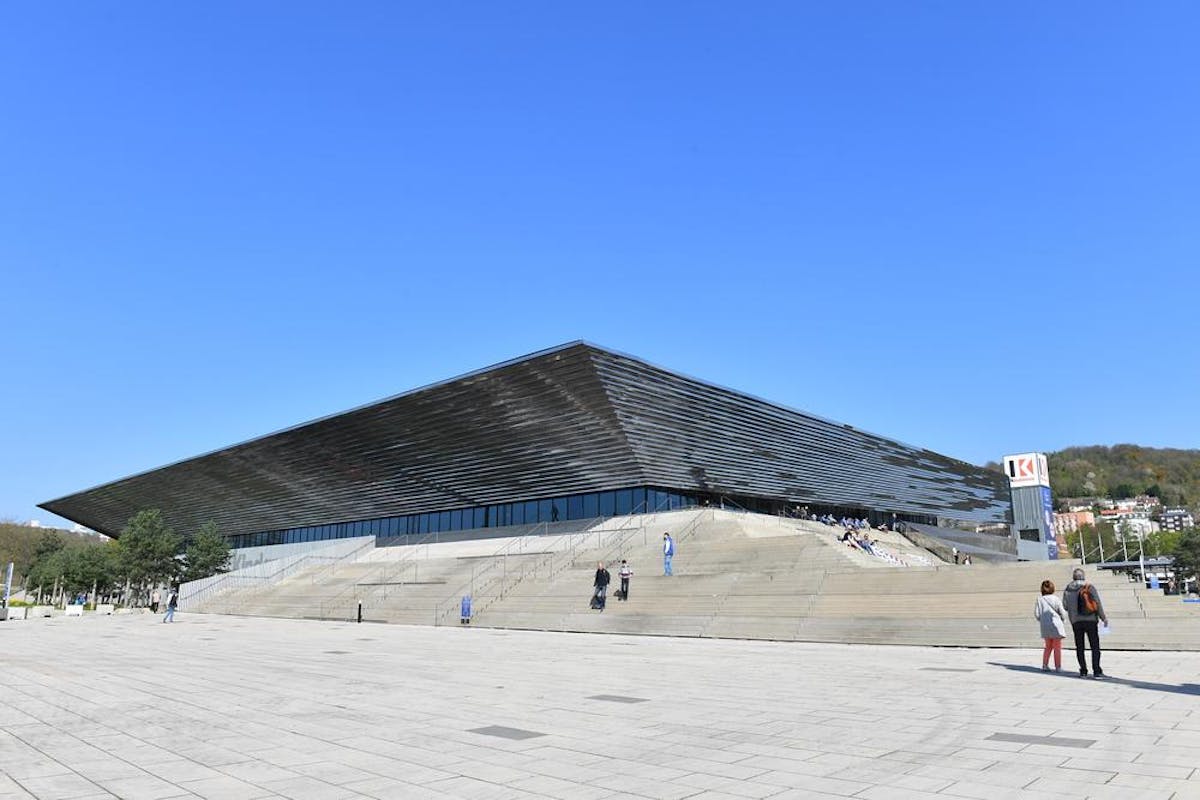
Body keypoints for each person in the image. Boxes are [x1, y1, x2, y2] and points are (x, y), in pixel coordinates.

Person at [1064, 568, 1108, 678]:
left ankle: (1083, 670)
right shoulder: (1089, 587)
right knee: (1095, 646)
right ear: (1083, 576)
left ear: (1073, 577)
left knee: (1080, 646)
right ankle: (1096, 670)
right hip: (1090, 620)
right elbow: (1097, 602)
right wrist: (1103, 617)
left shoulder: (1068, 589)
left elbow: (1065, 606)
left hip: (1076, 621)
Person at [1034, 579, 1068, 672]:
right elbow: (1062, 612)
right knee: (1057, 647)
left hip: (1045, 626)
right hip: (1056, 624)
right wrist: (1063, 619)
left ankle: (1045, 665)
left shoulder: (1039, 600)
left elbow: (1037, 614)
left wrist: (1043, 620)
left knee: (1048, 646)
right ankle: (1058, 666)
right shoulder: (1056, 598)